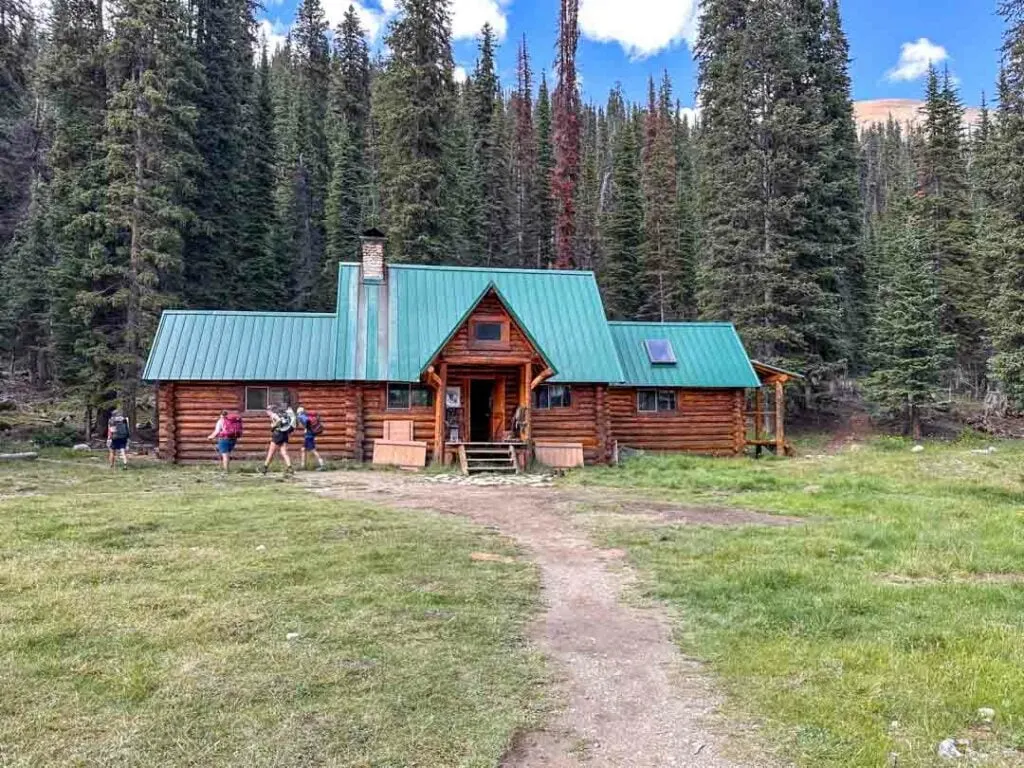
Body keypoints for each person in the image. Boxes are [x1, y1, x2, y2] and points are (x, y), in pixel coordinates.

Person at [259, 401, 295, 475]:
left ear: (270, 410)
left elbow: (278, 421)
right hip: (285, 434)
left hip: (277, 434)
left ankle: (264, 468)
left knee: (271, 452)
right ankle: (290, 467)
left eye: (267, 411)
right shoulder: (283, 413)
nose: (267, 412)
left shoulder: (273, 414)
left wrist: (273, 426)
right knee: (284, 452)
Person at [296, 406, 326, 471]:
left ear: (299, 412)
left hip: (308, 436)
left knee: (313, 450)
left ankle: (322, 464)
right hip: (309, 435)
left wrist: (306, 427)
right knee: (303, 449)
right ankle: (303, 466)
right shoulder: (305, 416)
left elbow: (306, 421)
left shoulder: (301, 416)